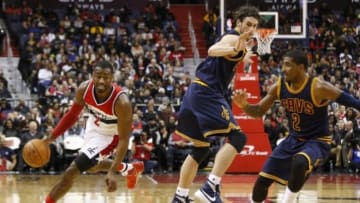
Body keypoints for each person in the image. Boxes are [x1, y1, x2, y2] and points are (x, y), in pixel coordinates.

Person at [232, 49, 360, 203]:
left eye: (288, 65)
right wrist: (245, 105)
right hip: (293, 139)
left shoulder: (318, 87)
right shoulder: (279, 87)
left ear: (301, 67)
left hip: (317, 141)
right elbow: (259, 111)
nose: (283, 69)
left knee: (300, 162)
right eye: (283, 65)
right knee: (262, 182)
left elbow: (350, 100)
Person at [170, 6, 260, 203]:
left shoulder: (240, 43)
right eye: (248, 24)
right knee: (238, 138)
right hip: (206, 93)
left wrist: (241, 53)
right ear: (238, 23)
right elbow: (212, 50)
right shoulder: (232, 38)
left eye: (255, 26)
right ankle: (210, 187)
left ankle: (180, 197)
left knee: (200, 149)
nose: (251, 29)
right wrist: (235, 49)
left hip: (197, 91)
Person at [43, 60, 144, 203]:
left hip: (111, 135)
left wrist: (112, 171)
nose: (101, 80)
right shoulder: (84, 89)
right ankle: (129, 169)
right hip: (93, 127)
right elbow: (72, 115)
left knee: (72, 171)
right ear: (92, 76)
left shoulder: (122, 103)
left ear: (112, 78)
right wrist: (52, 137)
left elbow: (123, 139)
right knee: (90, 166)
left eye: (106, 77)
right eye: (98, 76)